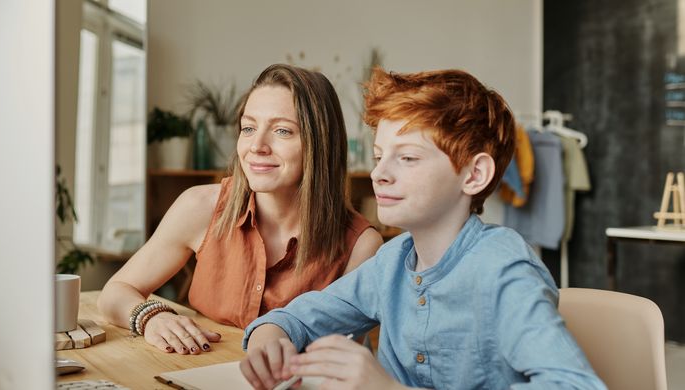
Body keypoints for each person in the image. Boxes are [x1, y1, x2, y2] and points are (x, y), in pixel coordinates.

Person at [241, 68, 607, 389]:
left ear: (474, 174)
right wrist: (269, 338)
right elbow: (301, 316)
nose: (379, 174)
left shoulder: (504, 269)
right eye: (380, 156)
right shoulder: (392, 261)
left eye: (408, 158)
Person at [97, 64, 383, 356]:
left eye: (282, 131)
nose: (256, 146)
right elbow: (115, 292)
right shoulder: (199, 207)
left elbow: (338, 359)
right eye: (248, 128)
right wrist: (152, 317)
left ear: (320, 143)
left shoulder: (360, 245)